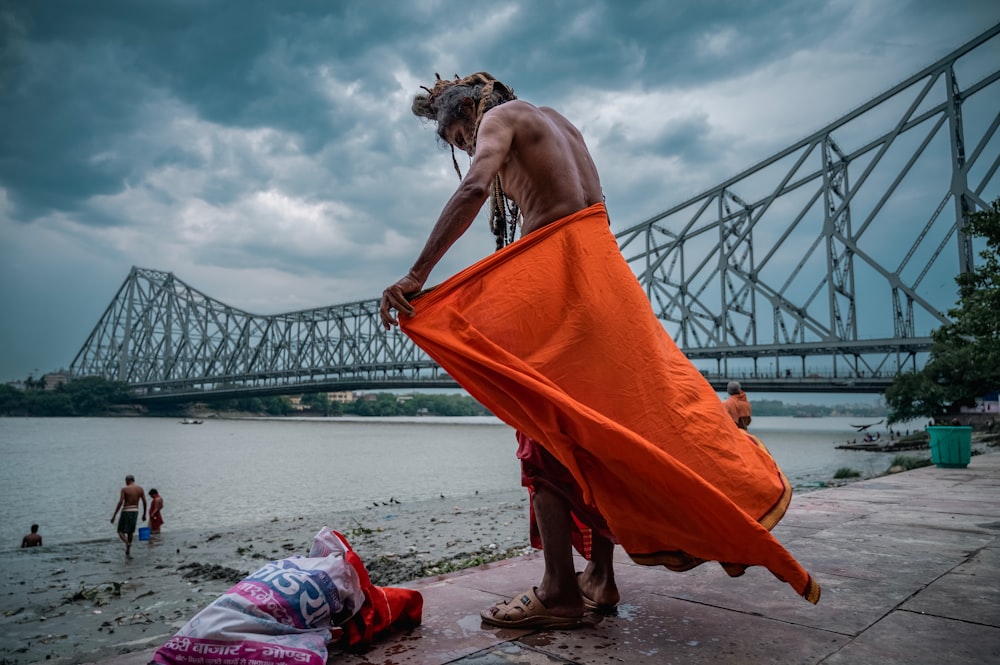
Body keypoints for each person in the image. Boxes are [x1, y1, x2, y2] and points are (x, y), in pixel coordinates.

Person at [380, 72, 819, 629]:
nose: (467, 148)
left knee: (542, 431)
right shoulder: (562, 125)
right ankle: (600, 580)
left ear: (469, 110)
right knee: (595, 430)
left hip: (563, 280)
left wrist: (418, 275)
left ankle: (559, 589)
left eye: (460, 138)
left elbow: (472, 189)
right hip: (605, 278)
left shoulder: (498, 120)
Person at [110, 474, 147, 557]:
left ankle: (127, 543)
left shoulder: (124, 489)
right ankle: (128, 550)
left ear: (127, 481)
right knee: (130, 531)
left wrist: (114, 515)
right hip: (135, 511)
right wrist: (144, 514)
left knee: (120, 531)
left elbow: (120, 502)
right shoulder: (140, 489)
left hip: (126, 510)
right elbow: (144, 502)